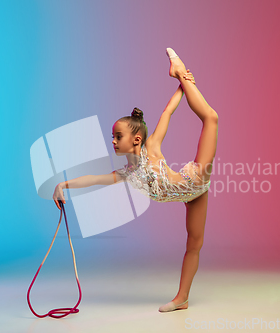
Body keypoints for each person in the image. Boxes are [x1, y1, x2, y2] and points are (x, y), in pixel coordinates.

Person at [53, 48, 219, 312]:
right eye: (113, 136)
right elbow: (95, 179)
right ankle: (182, 299)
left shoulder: (152, 147)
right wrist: (64, 185)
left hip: (195, 179)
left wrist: (183, 84)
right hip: (190, 196)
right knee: (193, 245)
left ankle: (179, 70)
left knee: (211, 118)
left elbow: (167, 113)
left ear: (137, 140)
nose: (113, 141)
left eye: (118, 136)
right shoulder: (127, 174)